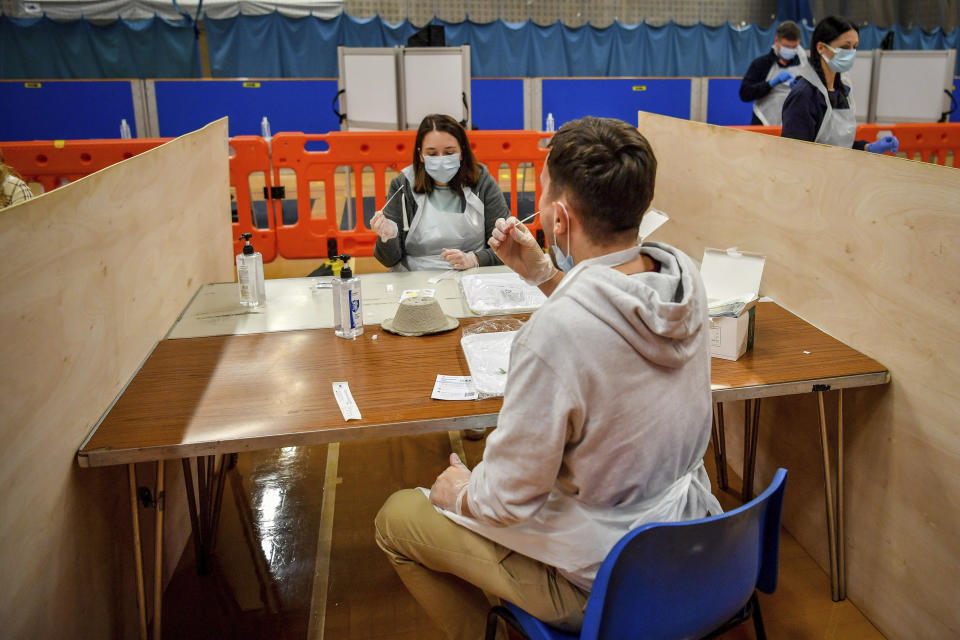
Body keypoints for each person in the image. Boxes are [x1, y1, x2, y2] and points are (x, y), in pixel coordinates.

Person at [375, 116, 721, 639]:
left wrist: (460, 492)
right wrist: (546, 276)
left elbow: (506, 499)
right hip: (691, 541)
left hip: (609, 578)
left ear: (558, 218)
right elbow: (611, 320)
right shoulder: (681, 278)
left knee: (398, 517)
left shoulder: (550, 338)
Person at [370, 114, 510, 271]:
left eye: (449, 153)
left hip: (473, 277)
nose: (441, 159)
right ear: (420, 155)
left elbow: (506, 248)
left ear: (462, 151)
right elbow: (388, 260)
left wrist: (474, 259)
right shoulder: (403, 185)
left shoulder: (483, 183)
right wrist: (389, 237)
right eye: (432, 154)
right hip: (415, 282)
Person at [782, 15, 899, 153]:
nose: (851, 53)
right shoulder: (804, 96)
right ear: (821, 47)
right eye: (844, 47)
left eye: (854, 47)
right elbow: (794, 154)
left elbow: (840, 145)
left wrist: (867, 147)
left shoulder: (843, 91)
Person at [739, 20, 808, 125]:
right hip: (763, 121)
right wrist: (771, 83)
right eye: (787, 47)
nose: (791, 50)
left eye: (794, 47)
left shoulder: (805, 64)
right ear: (777, 41)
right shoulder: (761, 64)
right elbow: (745, 94)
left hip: (794, 123)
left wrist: (802, 88)